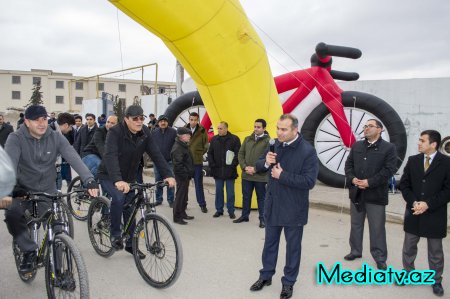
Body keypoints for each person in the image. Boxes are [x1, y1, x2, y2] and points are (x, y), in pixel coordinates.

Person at [4, 105, 98, 273]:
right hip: (23, 191)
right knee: (12, 213)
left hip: (48, 191)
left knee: (58, 230)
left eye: (44, 119)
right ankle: (28, 251)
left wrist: (89, 179)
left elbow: (73, 157)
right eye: (36, 120)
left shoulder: (56, 137)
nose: (41, 123)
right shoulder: (15, 138)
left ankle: (59, 273)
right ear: (26, 121)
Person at [250, 114, 318, 299]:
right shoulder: (274, 145)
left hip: (294, 209)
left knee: (292, 248)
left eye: (283, 129)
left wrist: (283, 175)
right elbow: (259, 165)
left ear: (295, 130)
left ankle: (288, 282)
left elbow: (309, 181)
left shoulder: (307, 151)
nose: (279, 132)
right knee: (270, 244)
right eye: (278, 128)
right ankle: (266, 276)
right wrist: (265, 162)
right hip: (273, 206)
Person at [97, 105, 175, 257]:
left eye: (142, 118)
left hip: (129, 176)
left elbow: (156, 153)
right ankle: (115, 234)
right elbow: (110, 156)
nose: (139, 121)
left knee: (131, 207)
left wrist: (168, 174)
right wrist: (118, 180)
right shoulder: (115, 132)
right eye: (135, 119)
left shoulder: (145, 132)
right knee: (119, 198)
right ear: (126, 119)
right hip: (109, 174)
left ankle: (131, 245)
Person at [398, 130, 450, 296]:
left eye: (422, 140)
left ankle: (436, 281)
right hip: (414, 210)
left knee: (435, 251)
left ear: (433, 144)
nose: (418, 143)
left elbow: (448, 190)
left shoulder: (446, 163)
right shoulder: (413, 161)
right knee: (409, 246)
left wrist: (427, 204)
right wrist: (414, 202)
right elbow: (404, 185)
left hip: (435, 212)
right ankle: (408, 273)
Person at [344, 119, 397, 270]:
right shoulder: (357, 145)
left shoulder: (388, 148)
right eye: (365, 126)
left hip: (376, 195)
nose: (366, 128)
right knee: (356, 224)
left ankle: (380, 257)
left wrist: (370, 182)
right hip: (357, 193)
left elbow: (389, 170)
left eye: (370, 126)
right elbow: (349, 165)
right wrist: (352, 178)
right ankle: (355, 251)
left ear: (380, 129)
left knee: (377, 227)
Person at [235, 119, 270, 228]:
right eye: (255, 126)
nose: (256, 129)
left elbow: (267, 158)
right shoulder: (247, 139)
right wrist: (245, 167)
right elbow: (240, 154)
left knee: (261, 198)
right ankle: (245, 216)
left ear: (264, 128)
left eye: (258, 127)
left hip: (260, 176)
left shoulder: (268, 142)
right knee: (246, 196)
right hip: (247, 175)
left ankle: (262, 219)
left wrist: (255, 169)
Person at [207, 121, 241, 219]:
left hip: (230, 171)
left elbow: (238, 154)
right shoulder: (214, 139)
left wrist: (232, 166)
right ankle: (219, 210)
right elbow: (210, 153)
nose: (219, 130)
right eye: (218, 128)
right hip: (217, 171)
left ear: (226, 128)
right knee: (219, 192)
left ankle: (231, 211)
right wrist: (212, 164)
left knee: (230, 193)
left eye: (221, 128)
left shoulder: (234, 139)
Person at [171, 127, 195, 225]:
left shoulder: (183, 145)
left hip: (185, 175)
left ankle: (182, 213)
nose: (189, 136)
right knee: (180, 196)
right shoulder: (178, 147)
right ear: (181, 136)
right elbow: (178, 165)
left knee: (184, 195)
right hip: (182, 176)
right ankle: (177, 217)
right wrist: (185, 174)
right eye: (188, 135)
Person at [151, 115, 176, 207]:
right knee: (158, 181)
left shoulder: (173, 132)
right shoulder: (154, 132)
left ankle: (171, 200)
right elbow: (151, 146)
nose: (163, 122)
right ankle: (158, 199)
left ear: (167, 122)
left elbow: (176, 146)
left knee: (170, 182)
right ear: (158, 122)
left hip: (169, 161)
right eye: (161, 121)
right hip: (157, 162)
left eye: (165, 121)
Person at [186, 112, 209, 213]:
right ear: (189, 119)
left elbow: (206, 144)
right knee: (183, 184)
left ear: (198, 120)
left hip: (197, 161)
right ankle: (183, 203)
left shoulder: (202, 130)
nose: (193, 122)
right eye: (191, 119)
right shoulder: (183, 129)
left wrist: (199, 153)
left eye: (195, 120)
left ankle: (202, 204)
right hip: (186, 162)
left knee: (198, 183)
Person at [49, 113, 76, 190]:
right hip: (48, 172)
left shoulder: (59, 133)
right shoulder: (50, 132)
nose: (71, 129)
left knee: (58, 191)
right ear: (66, 125)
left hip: (57, 168)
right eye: (71, 126)